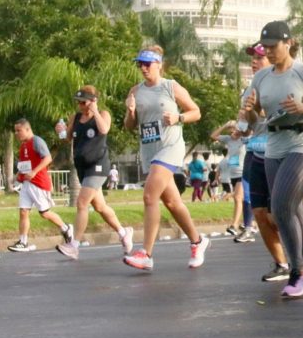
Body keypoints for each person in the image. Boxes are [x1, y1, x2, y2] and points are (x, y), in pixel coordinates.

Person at [244, 20, 303, 298]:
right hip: (274, 145)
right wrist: (248, 113)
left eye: (272, 46)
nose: (267, 52)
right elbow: (257, 119)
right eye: (264, 47)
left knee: (281, 206)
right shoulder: (261, 77)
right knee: (292, 211)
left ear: (288, 43)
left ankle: (298, 272)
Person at [122, 45, 208, 271]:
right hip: (150, 151)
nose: (143, 68)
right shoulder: (135, 91)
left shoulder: (171, 87)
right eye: (139, 64)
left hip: (171, 148)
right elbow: (130, 126)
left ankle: (146, 253)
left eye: (147, 64)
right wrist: (130, 112)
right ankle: (198, 241)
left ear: (159, 64)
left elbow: (196, 112)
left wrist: (178, 117)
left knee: (150, 196)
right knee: (171, 202)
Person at [53, 87, 134, 259]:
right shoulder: (75, 118)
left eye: (84, 102)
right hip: (82, 167)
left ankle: (74, 245)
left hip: (98, 165)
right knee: (100, 206)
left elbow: (104, 130)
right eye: (79, 102)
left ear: (93, 100)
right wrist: (60, 131)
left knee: (82, 203)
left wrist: (95, 111)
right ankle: (123, 232)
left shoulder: (103, 115)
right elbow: (67, 138)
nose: (81, 106)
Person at [240, 43, 292, 281]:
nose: (255, 62)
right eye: (253, 58)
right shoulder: (249, 88)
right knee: (259, 212)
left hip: (279, 152)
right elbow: (250, 123)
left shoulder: (282, 83)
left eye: (259, 57)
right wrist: (247, 116)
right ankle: (281, 264)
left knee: (277, 214)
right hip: (254, 152)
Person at [9, 119, 76, 254]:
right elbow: (24, 164)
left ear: (27, 129)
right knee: (23, 211)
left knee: (44, 213)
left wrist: (34, 172)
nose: (16, 133)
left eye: (19, 130)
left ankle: (66, 228)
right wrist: (18, 176)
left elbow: (48, 159)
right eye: (15, 131)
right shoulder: (23, 146)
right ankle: (23, 241)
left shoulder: (37, 141)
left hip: (39, 183)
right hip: (27, 185)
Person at [211, 120, 247, 235]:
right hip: (233, 173)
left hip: (244, 172)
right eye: (229, 129)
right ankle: (247, 223)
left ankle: (234, 225)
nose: (231, 131)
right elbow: (213, 136)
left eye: (233, 128)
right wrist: (224, 125)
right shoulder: (228, 139)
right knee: (243, 199)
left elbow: (249, 132)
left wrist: (239, 128)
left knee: (237, 197)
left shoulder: (243, 139)